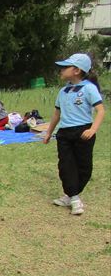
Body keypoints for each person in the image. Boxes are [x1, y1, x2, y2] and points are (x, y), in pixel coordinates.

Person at [43, 53, 105, 216]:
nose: (61, 71)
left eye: (65, 67)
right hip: (64, 134)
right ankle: (74, 198)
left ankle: (70, 195)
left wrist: (92, 130)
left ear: (77, 70)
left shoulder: (89, 88)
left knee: (84, 168)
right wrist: (49, 132)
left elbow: (100, 111)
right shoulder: (63, 92)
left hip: (83, 132)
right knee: (65, 166)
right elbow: (57, 114)